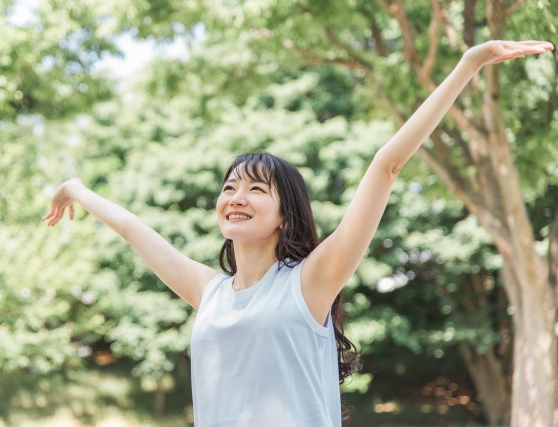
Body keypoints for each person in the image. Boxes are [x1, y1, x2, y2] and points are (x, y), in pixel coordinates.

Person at [42, 40, 553, 426]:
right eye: (229, 187)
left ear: (285, 215)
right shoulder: (210, 292)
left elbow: (387, 165)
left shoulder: (311, 281)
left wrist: (469, 64)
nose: (236, 197)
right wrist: (76, 188)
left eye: (256, 190)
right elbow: (134, 229)